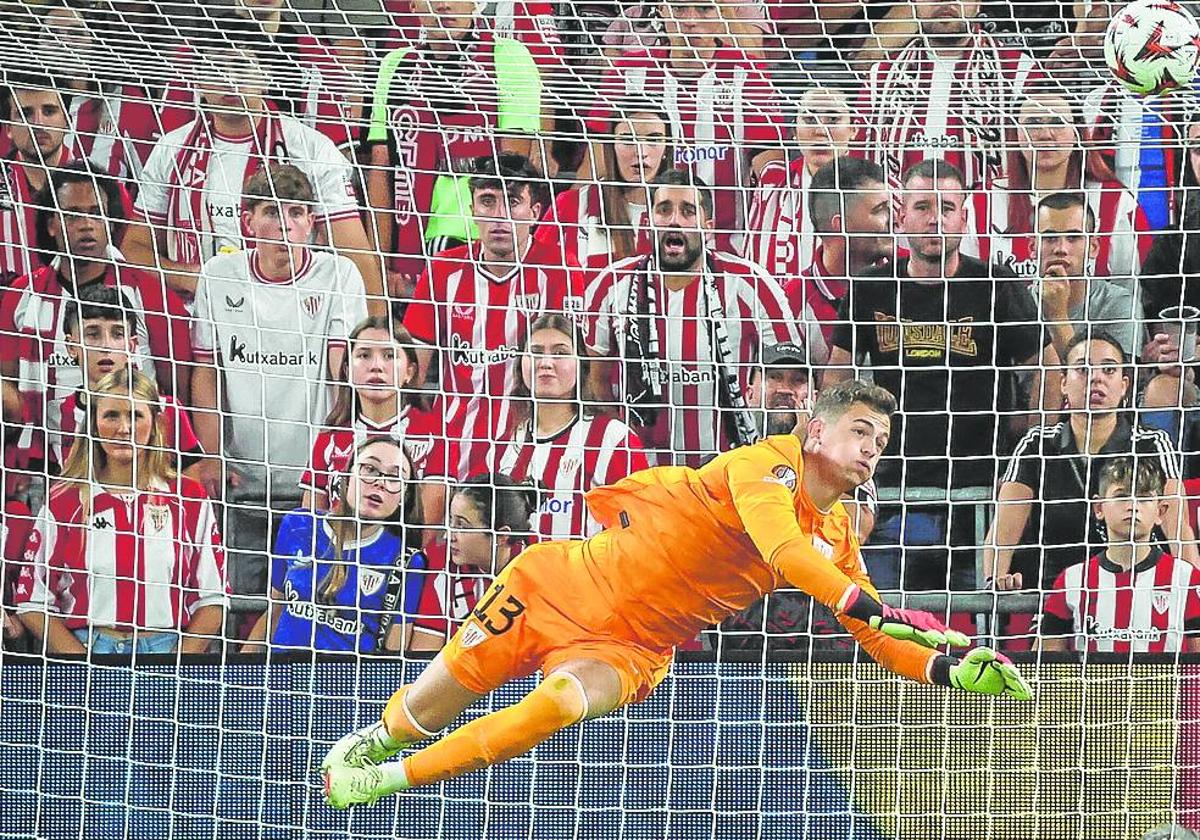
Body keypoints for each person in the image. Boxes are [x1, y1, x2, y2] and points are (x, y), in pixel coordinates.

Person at [321, 379, 1031, 808]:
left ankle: (389, 780)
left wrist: (943, 666)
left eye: (883, 438)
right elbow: (786, 553)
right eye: (861, 430)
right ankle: (379, 742)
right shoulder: (766, 468)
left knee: (559, 704)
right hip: (552, 584)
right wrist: (867, 605)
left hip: (628, 647)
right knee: (416, 712)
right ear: (815, 431)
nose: (875, 447)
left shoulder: (839, 534)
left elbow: (874, 636)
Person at [825, 159, 1058, 592]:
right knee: (888, 621)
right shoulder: (871, 287)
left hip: (982, 487)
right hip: (892, 488)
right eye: (923, 207)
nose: (935, 218)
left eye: (947, 207)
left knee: (980, 627)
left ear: (964, 218)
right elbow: (836, 377)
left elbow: (1045, 369)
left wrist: (1027, 437)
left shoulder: (997, 284)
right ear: (902, 216)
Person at [126, 32, 381, 310]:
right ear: (196, 81)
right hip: (198, 313)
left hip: (291, 314)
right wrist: (193, 278)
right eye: (215, 68)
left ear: (266, 74)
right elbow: (135, 248)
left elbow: (355, 255)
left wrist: (379, 333)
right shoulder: (171, 150)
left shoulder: (311, 150)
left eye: (240, 66)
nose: (229, 80)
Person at [585, 170, 806, 467]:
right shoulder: (611, 285)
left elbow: (792, 379)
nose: (674, 220)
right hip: (643, 474)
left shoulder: (752, 285)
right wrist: (625, 451)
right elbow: (594, 381)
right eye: (664, 210)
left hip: (730, 469)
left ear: (709, 227)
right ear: (648, 222)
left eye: (688, 211)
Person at [0, 162, 191, 487]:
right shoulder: (21, 297)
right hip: (47, 472)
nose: (87, 225)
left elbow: (177, 385)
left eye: (96, 212)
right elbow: (9, 384)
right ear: (51, 224)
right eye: (73, 214)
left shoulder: (148, 293)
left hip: (137, 473)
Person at [13, 370, 228, 655]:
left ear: (154, 423)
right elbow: (31, 601)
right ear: (94, 423)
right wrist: (83, 664)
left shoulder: (189, 499)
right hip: (88, 651)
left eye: (136, 416)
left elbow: (214, 598)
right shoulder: (63, 501)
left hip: (167, 655)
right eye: (111, 415)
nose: (123, 428)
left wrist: (176, 664)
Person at [402, 153, 584, 480]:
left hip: (533, 442)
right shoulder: (443, 270)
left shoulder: (561, 270)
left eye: (512, 202)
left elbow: (575, 371)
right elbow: (412, 372)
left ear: (535, 212)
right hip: (452, 443)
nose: (500, 217)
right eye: (488, 201)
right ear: (472, 210)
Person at [986, 330, 1195, 594]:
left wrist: (1193, 602)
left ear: (1124, 386)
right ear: (1063, 383)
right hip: (1057, 597)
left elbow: (1180, 533)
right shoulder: (1036, 445)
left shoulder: (1151, 445)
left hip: (1137, 594)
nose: (1096, 378)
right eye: (1083, 369)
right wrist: (996, 579)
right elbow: (1000, 537)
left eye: (1109, 370)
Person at [366, 0, 546, 296]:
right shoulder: (394, 65)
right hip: (408, 250)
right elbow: (381, 168)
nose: (444, 5)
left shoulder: (509, 56)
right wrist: (381, 264)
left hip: (483, 245)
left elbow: (513, 167)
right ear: (413, 5)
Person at [591, 0, 786, 252]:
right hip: (640, 249)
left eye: (705, 9)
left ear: (722, 14)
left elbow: (772, 174)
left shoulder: (749, 75)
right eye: (679, 8)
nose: (691, 20)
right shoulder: (627, 73)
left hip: (728, 249)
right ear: (661, 12)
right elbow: (596, 168)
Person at [245, 438, 428, 654]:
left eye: (394, 477)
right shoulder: (297, 525)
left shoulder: (406, 561)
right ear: (347, 477)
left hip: (348, 684)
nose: (380, 483)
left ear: (404, 497)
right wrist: (236, 678)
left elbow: (394, 653)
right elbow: (274, 612)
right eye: (370, 469)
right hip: (282, 677)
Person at [967, 90, 1151, 285]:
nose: (1046, 134)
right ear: (1015, 134)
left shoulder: (1115, 202)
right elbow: (965, 285)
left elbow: (1131, 294)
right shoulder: (982, 202)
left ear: (1076, 133)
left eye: (1057, 122)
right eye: (1033, 123)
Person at [857, 0, 1041, 192]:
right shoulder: (881, 77)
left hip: (995, 218)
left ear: (978, 3)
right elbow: (859, 166)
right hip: (896, 218)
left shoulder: (1020, 72)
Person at [494, 314, 648, 540]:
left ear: (582, 364)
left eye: (560, 353)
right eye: (536, 352)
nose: (546, 363)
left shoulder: (614, 440)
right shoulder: (504, 445)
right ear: (520, 365)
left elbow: (640, 530)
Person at [1039, 457, 1200, 654]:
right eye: (1122, 496)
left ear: (1160, 511)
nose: (1133, 506)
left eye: (1144, 498)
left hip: (1164, 685)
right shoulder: (1072, 579)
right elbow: (1047, 667)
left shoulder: (1186, 578)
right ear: (1099, 508)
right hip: (1092, 685)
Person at [301, 316, 451, 526]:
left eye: (389, 355)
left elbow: (426, 527)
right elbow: (310, 523)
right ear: (347, 371)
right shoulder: (331, 436)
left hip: (407, 557)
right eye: (364, 355)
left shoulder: (435, 433)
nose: (377, 366)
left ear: (410, 371)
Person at [56, 285, 201, 470]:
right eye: (92, 334)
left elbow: (191, 488)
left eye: (117, 334)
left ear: (132, 346)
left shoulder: (167, 410)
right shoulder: (55, 414)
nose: (106, 346)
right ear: (71, 346)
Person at [536, 99, 671, 272]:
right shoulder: (571, 205)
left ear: (666, 149)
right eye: (628, 140)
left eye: (654, 140)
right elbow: (534, 268)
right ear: (611, 147)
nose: (641, 152)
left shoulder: (680, 214)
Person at [743, 86, 859, 285]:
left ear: (853, 130)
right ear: (794, 132)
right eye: (809, 120)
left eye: (833, 120)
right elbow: (751, 263)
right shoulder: (772, 183)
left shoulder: (877, 188)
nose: (820, 131)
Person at [408, 475, 537, 651]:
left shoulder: (539, 569)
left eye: (462, 526)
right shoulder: (442, 564)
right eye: (450, 521)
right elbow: (423, 656)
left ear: (500, 536)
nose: (450, 535)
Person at [784, 155, 893, 354]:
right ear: (840, 224)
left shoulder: (914, 273)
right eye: (880, 210)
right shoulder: (791, 303)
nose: (893, 220)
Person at [1033, 191, 1144, 362]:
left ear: (1093, 247)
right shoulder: (1016, 304)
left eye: (1073, 237)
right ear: (1032, 247)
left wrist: (1058, 316)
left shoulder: (1119, 303)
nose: (1061, 248)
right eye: (1050, 237)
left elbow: (1115, 383)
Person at [0, 76, 71, 284]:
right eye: (25, 113)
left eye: (49, 111)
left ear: (67, 121)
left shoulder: (100, 187)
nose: (38, 123)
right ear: (8, 129)